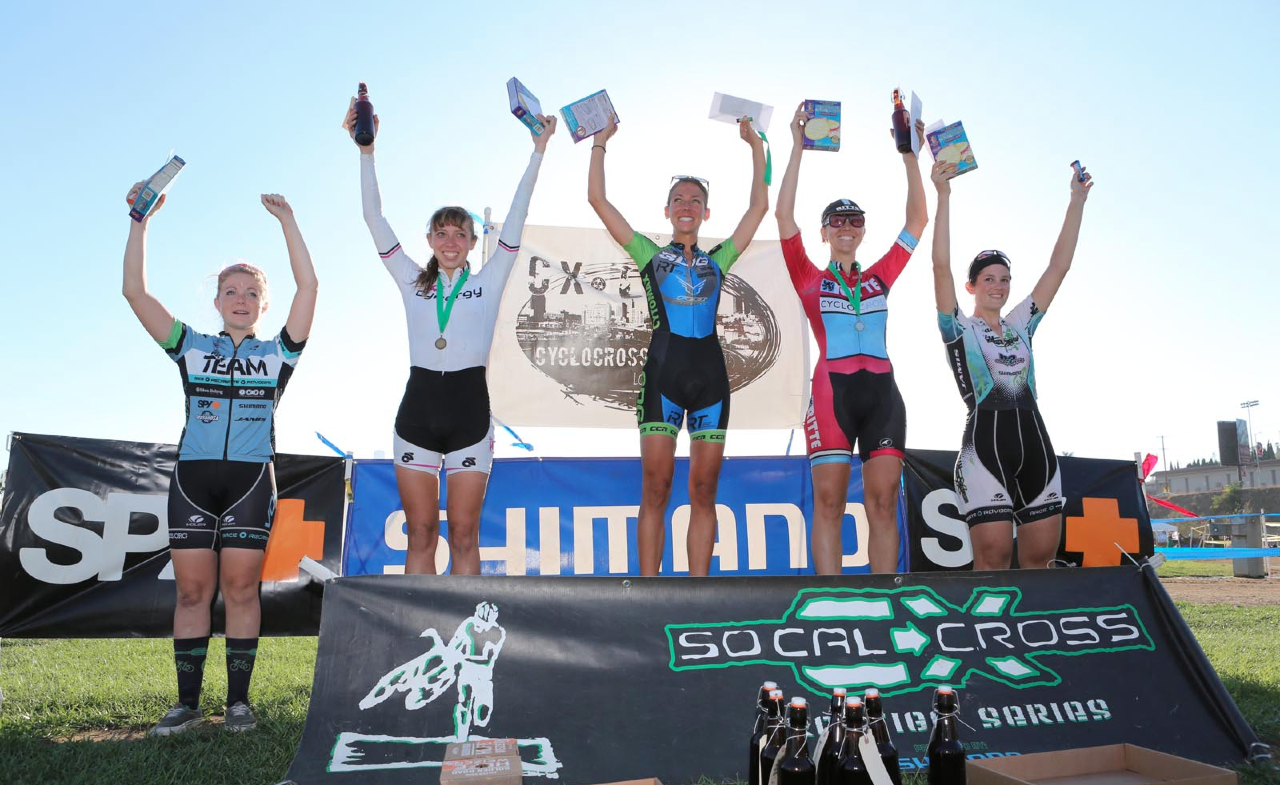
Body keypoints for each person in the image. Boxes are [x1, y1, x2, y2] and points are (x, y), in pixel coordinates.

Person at [123, 184, 318, 736]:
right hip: (192, 481)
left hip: (251, 482)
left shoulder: (278, 353)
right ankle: (185, 705)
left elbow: (310, 286)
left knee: (239, 591)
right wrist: (140, 222)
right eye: (229, 290)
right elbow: (135, 292)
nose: (239, 298)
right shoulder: (191, 346)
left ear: (262, 304)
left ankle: (238, 704)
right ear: (216, 302)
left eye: (250, 292)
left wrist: (288, 223)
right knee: (191, 593)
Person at [345, 98, 556, 575]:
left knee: (463, 536)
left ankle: (471, 636)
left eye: (459, 233)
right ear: (430, 242)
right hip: (417, 412)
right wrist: (366, 152)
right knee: (420, 534)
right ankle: (416, 635)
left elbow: (518, 216)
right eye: (441, 233)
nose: (450, 241)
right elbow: (373, 219)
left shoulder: (489, 278)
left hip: (469, 415)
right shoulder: (409, 279)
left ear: (472, 241)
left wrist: (538, 152)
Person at [587, 113, 768, 576]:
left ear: (706, 213)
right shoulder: (650, 254)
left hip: (711, 379)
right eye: (678, 199)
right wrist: (601, 143)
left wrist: (755, 147)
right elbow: (597, 199)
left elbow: (758, 210)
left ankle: (698, 594)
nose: (686, 205)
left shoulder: (719, 258)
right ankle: (651, 591)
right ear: (667, 210)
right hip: (663, 377)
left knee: (704, 490)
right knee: (656, 487)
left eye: (695, 200)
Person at [775, 104, 927, 575]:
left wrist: (909, 156)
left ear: (863, 231)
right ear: (823, 233)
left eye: (855, 220)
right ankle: (831, 602)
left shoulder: (880, 276)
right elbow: (782, 216)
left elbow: (918, 223)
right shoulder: (808, 276)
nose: (846, 227)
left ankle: (886, 602)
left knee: (882, 504)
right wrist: (797, 148)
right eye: (836, 222)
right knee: (829, 504)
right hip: (830, 394)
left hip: (883, 395)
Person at [930, 161, 1093, 569]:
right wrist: (944, 195)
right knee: (993, 562)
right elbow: (939, 267)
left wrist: (1076, 201)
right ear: (971, 286)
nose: (998, 286)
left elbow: (1059, 267)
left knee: (1040, 563)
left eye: (1004, 279)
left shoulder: (1021, 323)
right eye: (988, 278)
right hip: (984, 450)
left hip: (1036, 444)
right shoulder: (958, 327)